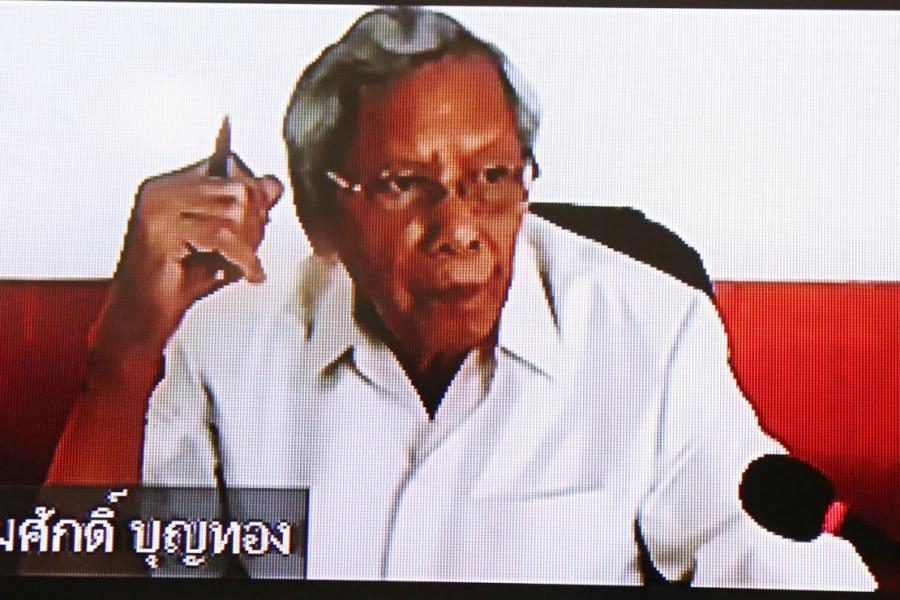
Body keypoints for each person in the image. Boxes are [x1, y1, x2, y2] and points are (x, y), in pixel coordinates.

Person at [47, 6, 876, 588]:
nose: (460, 229)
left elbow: (783, 568)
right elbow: (96, 575)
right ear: (320, 216)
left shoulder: (648, 331)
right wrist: (121, 358)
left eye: (493, 176)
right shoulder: (228, 343)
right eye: (404, 183)